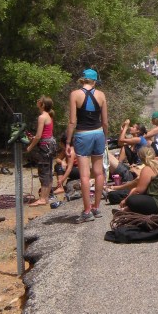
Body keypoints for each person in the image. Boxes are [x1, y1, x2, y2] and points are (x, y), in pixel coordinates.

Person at [66, 68, 108, 222]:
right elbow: (105, 122)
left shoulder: (75, 94)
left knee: (84, 175)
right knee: (99, 172)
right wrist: (105, 137)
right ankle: (96, 207)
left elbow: (72, 121)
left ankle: (87, 210)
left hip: (82, 135)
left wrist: (68, 142)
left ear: (82, 80)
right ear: (95, 81)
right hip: (98, 134)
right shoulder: (101, 95)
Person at [107, 146, 158, 215]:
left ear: (140, 158)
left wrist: (126, 200)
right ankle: (127, 210)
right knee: (136, 193)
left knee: (131, 200)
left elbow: (138, 191)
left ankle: (128, 211)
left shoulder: (148, 169)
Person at [25, 97, 57, 206]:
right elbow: (44, 134)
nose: (37, 101)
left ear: (42, 105)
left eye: (39, 101)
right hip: (50, 144)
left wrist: (30, 146)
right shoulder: (49, 115)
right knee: (48, 171)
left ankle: (43, 199)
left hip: (45, 146)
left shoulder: (42, 117)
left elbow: (39, 136)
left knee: (43, 172)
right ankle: (46, 197)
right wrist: (34, 138)